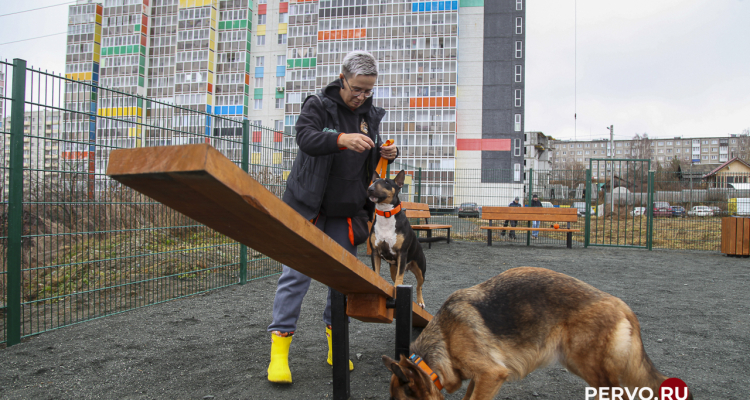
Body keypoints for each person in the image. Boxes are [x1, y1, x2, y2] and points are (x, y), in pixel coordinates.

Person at [266, 51, 398, 384]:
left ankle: (335, 344)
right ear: (342, 80)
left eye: (368, 91)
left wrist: (385, 154)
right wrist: (340, 138)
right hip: (308, 206)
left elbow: (369, 159)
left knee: (341, 281)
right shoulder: (318, 106)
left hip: (346, 211)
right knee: (296, 276)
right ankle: (278, 354)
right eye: (357, 89)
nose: (362, 96)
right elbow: (305, 139)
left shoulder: (370, 115)